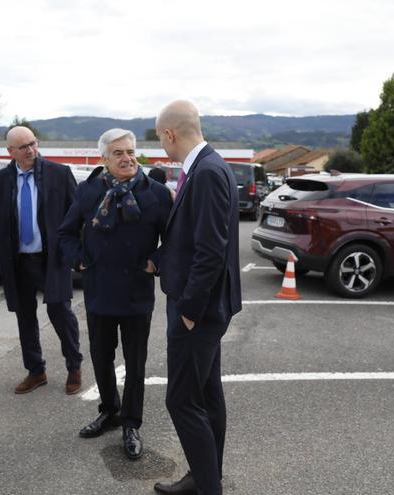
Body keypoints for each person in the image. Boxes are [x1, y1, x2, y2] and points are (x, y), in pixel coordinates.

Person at [58, 128, 171, 460]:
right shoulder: (87, 191)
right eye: (119, 153)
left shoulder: (157, 194)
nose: (128, 158)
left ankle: (131, 423)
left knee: (136, 363)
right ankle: (109, 410)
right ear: (103, 159)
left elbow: (175, 240)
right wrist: (78, 259)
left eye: (132, 152)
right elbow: (65, 233)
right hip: (99, 290)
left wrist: (155, 263)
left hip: (137, 293)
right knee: (101, 356)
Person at [152, 101, 241, 495]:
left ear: (171, 134)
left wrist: (189, 309)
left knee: (182, 401)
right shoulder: (210, 166)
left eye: (160, 139)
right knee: (206, 395)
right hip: (207, 307)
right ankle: (204, 478)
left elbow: (210, 250)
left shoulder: (205, 172)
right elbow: (192, 241)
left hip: (198, 311)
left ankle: (208, 488)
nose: (162, 148)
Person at [0, 126, 83, 395]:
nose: (30, 150)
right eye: (23, 147)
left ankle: (74, 367)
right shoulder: (0, 181)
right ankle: (36, 371)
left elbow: (76, 216)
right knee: (25, 318)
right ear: (10, 152)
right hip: (17, 261)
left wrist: (72, 252)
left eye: (33, 143)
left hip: (51, 259)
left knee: (61, 313)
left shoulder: (59, 174)